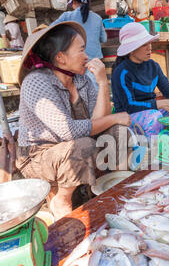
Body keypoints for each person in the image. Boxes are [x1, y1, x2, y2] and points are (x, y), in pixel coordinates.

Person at [16, 22, 131, 221]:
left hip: (73, 143)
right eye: (81, 50)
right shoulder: (36, 82)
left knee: (118, 131)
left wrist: (103, 81)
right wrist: (115, 116)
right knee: (83, 145)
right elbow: (68, 131)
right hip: (38, 154)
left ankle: (115, 186)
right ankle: (61, 199)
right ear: (60, 57)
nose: (87, 56)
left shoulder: (81, 80)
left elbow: (98, 120)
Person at [111, 22, 169, 138]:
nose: (149, 47)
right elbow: (130, 106)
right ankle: (155, 151)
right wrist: (160, 104)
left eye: (149, 43)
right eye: (144, 44)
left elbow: (168, 91)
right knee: (154, 116)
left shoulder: (153, 66)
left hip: (153, 109)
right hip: (127, 116)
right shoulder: (121, 72)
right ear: (131, 50)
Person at [51, 0, 107, 88]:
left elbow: (50, 30)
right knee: (97, 96)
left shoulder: (67, 16)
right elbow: (104, 39)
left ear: (73, 2)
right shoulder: (98, 18)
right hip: (95, 64)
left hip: (74, 63)